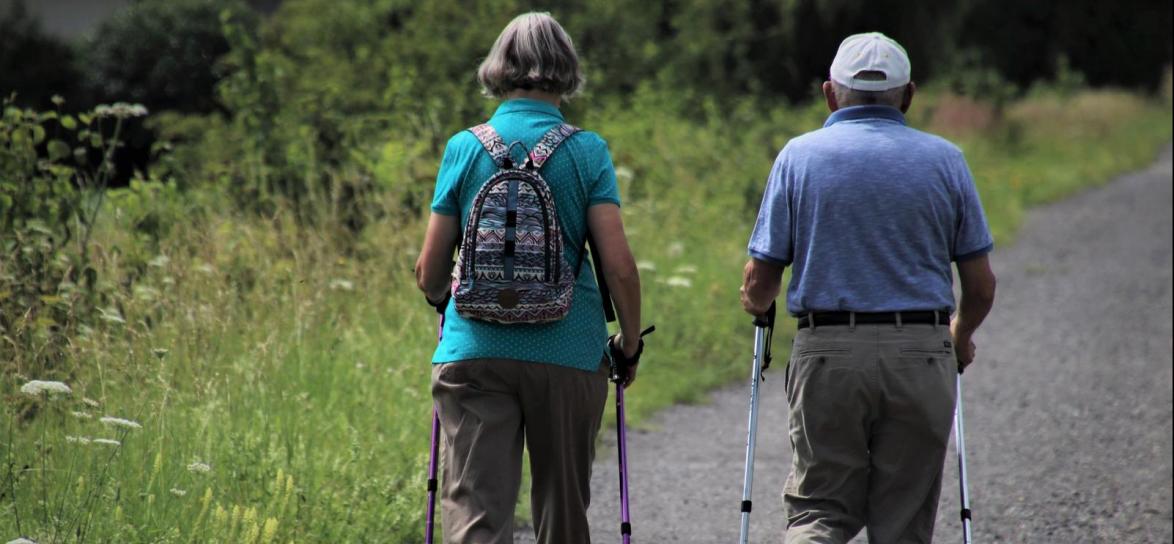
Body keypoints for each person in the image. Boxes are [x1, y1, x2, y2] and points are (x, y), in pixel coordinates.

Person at [740, 32, 997, 543]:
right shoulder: (946, 160)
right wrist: (960, 333)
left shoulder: (799, 156)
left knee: (819, 513)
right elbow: (981, 284)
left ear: (830, 93)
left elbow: (761, 279)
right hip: (920, 353)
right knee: (902, 522)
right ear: (909, 95)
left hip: (828, 354)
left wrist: (756, 301)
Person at [414, 12, 644, 544]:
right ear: (566, 69)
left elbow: (429, 272)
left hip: (474, 350)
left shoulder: (464, 147)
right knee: (563, 513)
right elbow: (619, 268)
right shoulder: (587, 151)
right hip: (568, 350)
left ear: (499, 68)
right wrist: (627, 346)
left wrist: (446, 299)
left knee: (476, 513)